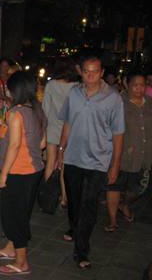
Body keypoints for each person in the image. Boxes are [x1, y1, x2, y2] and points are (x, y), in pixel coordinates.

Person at [57, 52, 124, 269]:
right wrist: (61, 148)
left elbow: (118, 134)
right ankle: (75, 228)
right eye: (86, 72)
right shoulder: (74, 94)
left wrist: (115, 164)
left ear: (102, 73)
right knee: (74, 202)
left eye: (95, 72)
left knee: (89, 205)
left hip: (98, 160)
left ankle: (82, 250)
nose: (90, 76)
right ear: (81, 72)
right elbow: (67, 122)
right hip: (73, 157)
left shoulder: (113, 98)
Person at [0, 71, 46, 276]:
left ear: (15, 90)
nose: (5, 90)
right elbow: (43, 143)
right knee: (21, 212)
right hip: (33, 170)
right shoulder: (37, 111)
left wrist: (4, 174)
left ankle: (22, 262)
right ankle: (11, 248)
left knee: (14, 217)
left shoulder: (15, 114)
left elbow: (13, 146)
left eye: (8, 87)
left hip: (18, 172)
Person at [105, 72, 152, 232]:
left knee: (139, 188)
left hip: (144, 154)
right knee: (115, 186)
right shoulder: (119, 103)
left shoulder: (150, 103)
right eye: (135, 85)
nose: (139, 89)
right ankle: (112, 220)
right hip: (121, 154)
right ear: (127, 84)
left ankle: (124, 204)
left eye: (142, 85)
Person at [42, 57, 78, 208]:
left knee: (50, 162)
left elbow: (45, 108)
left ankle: (47, 195)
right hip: (69, 130)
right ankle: (64, 197)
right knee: (64, 165)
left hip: (52, 128)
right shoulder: (77, 86)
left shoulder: (51, 85)